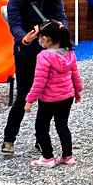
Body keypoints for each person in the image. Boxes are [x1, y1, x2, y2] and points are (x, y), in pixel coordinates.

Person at [1, 0, 67, 159]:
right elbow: (15, 26)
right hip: (26, 54)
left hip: (51, 54)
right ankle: (9, 139)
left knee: (47, 99)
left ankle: (41, 137)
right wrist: (27, 38)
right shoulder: (16, 1)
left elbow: (62, 18)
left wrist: (60, 28)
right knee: (24, 97)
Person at [24, 21, 83, 168]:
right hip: (67, 97)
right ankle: (68, 156)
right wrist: (78, 91)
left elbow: (39, 82)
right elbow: (75, 74)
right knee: (62, 125)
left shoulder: (44, 56)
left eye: (40, 37)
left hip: (49, 99)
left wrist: (29, 100)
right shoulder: (70, 53)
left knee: (41, 127)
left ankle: (48, 157)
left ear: (45, 39)